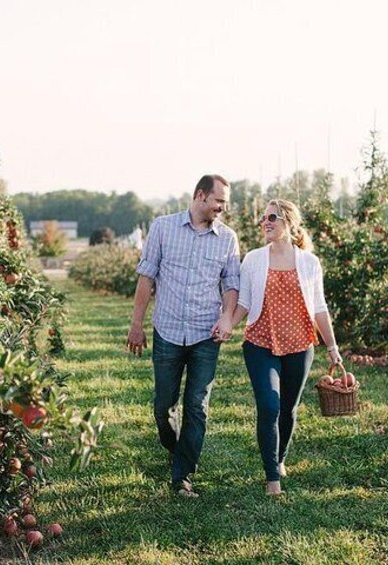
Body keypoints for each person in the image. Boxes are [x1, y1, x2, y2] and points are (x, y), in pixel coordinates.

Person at [127, 174, 240, 498]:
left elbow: (231, 283)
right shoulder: (163, 228)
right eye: (219, 201)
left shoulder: (228, 238)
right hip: (169, 330)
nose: (223, 207)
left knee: (197, 406)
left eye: (225, 202)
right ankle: (177, 449)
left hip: (207, 333)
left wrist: (227, 318)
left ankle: (182, 476)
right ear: (200, 195)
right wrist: (137, 324)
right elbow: (147, 279)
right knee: (164, 406)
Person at [229, 199, 343, 496]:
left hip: (299, 345)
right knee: (269, 406)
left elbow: (319, 307)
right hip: (260, 343)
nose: (265, 222)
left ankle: (279, 459)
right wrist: (227, 322)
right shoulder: (253, 259)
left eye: (272, 217)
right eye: (263, 218)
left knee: (288, 409)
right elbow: (244, 301)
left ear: (289, 223)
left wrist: (332, 346)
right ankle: (272, 479)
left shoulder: (309, 262)